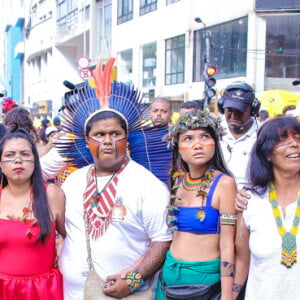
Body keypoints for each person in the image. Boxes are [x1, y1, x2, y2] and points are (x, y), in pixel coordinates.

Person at [59, 58, 172, 299]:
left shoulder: (148, 185)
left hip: (125, 294)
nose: (107, 141)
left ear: (127, 139)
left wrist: (131, 280)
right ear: (87, 141)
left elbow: (161, 242)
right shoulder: (73, 182)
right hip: (72, 293)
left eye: (115, 134)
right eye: (99, 134)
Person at [155, 111, 237, 300]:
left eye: (205, 137)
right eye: (188, 138)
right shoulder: (178, 182)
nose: (198, 144)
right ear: (178, 147)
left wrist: (227, 296)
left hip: (203, 284)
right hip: (168, 280)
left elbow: (227, 246)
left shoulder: (224, 184)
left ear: (215, 143)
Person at [233, 116, 300, 300]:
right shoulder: (249, 201)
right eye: (282, 139)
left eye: (298, 137)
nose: (294, 144)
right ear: (267, 154)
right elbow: (242, 261)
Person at [0, 127, 65, 299]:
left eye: (25, 154)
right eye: (9, 155)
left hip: (42, 291)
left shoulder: (52, 194)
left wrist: (60, 248)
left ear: (35, 160)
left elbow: (73, 236)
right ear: (0, 163)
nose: (18, 160)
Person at [218, 81, 261, 190]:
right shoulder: (214, 131)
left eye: (239, 111)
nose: (233, 116)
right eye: (229, 110)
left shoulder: (262, 135)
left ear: (253, 110)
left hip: (249, 197)